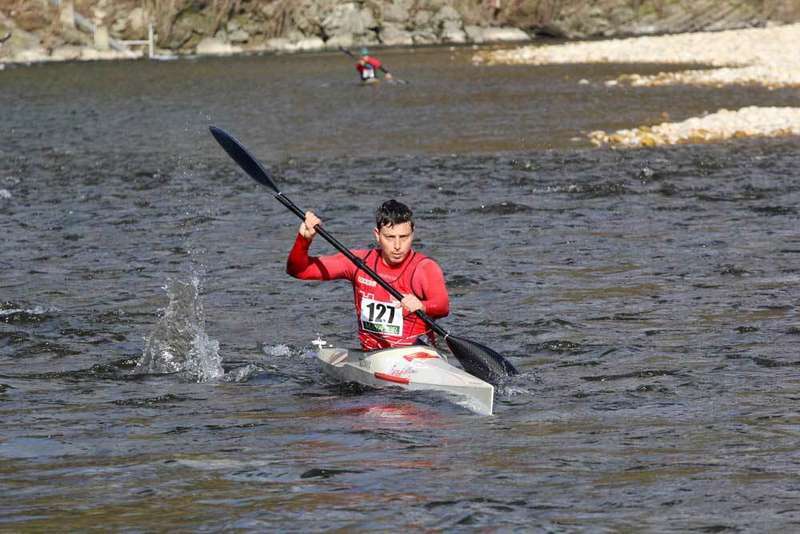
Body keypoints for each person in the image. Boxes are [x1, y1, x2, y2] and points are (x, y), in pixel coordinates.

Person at [286, 199, 449, 351]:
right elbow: (299, 270)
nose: (398, 246)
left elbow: (443, 306)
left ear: (412, 234)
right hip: (372, 356)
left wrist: (422, 306)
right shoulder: (357, 262)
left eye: (404, 237)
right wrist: (304, 239)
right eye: (390, 237)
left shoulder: (425, 268)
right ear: (377, 235)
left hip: (417, 352)